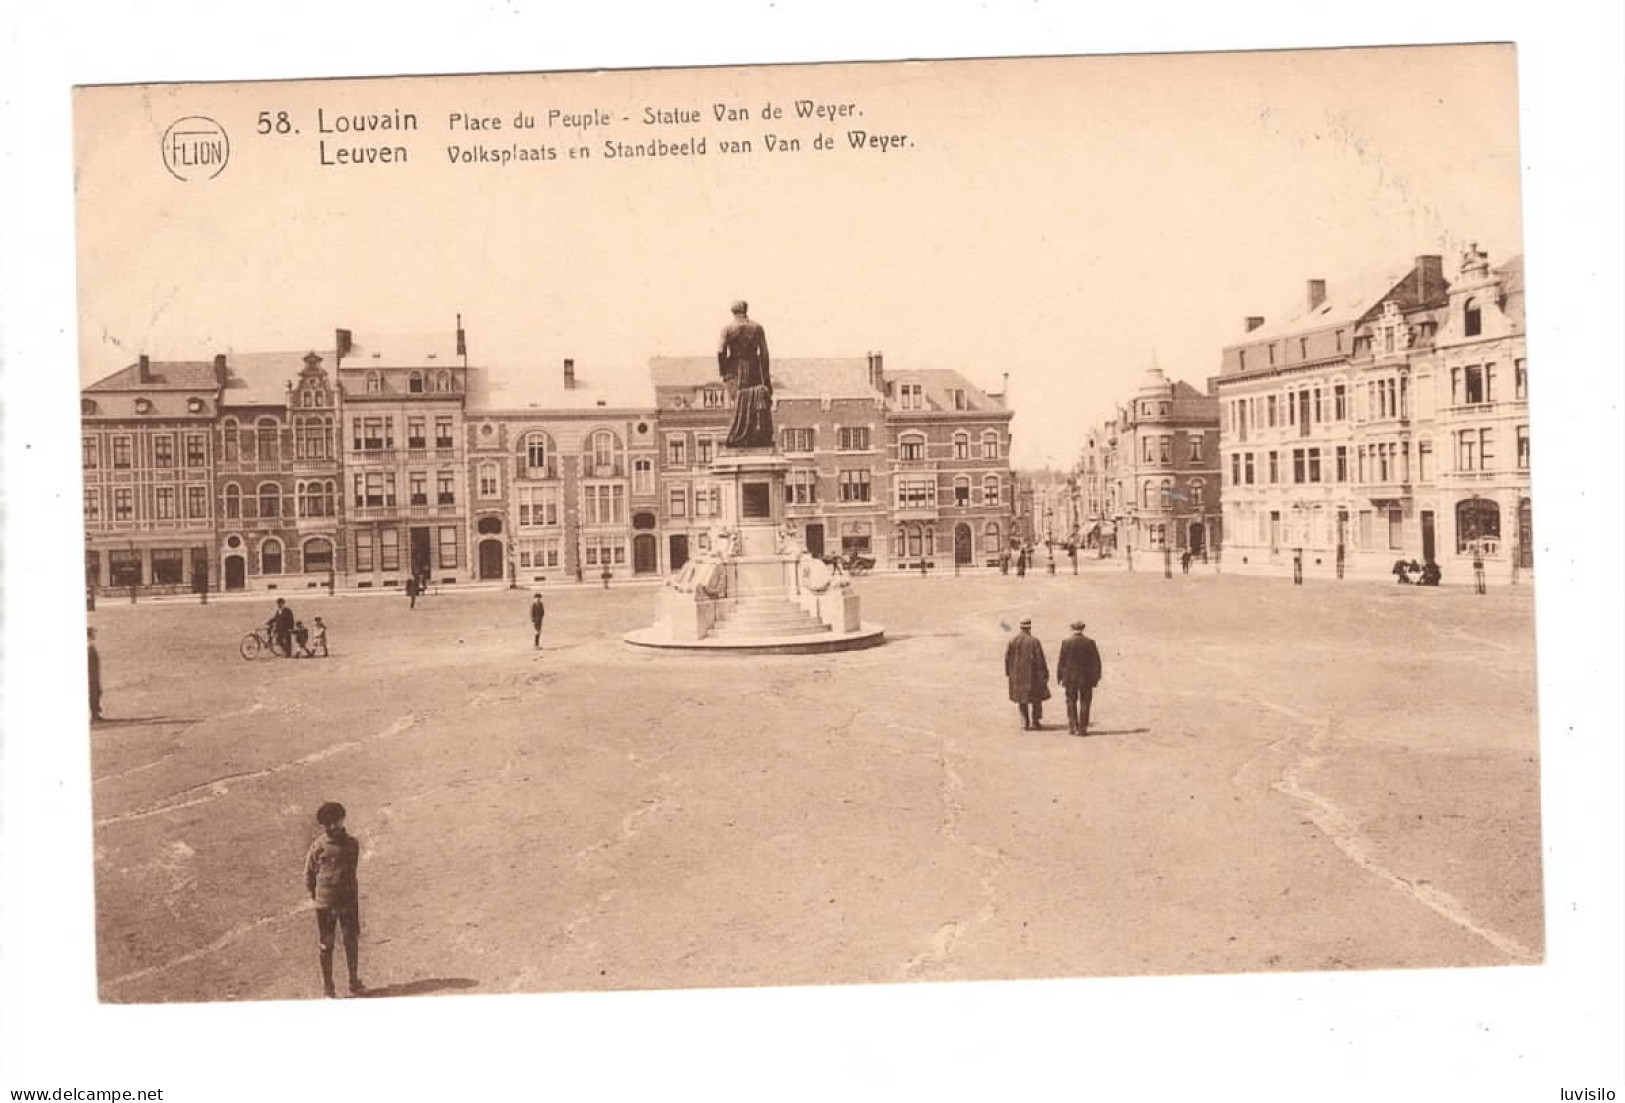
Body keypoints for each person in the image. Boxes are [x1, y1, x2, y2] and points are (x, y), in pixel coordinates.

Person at [304, 801, 364, 998]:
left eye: (335, 823)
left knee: (351, 940)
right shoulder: (318, 847)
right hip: (326, 905)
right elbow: (309, 875)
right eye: (327, 824)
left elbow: (351, 870)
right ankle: (329, 989)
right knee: (326, 945)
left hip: (348, 902)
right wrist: (320, 897)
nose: (331, 827)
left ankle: (354, 982)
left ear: (341, 820)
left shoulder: (352, 844)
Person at [718, 300, 773, 448]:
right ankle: (753, 435)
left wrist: (723, 371)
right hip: (754, 367)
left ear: (733, 312)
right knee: (754, 400)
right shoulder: (757, 328)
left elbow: (720, 351)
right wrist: (766, 380)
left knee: (738, 401)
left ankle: (738, 434)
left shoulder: (727, 329)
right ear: (746, 310)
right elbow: (764, 354)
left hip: (734, 369)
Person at [1055, 620, 1104, 736]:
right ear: (1082, 629)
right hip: (1086, 679)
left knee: (1071, 701)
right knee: (1085, 702)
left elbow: (1061, 661)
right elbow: (1096, 662)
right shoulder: (1090, 642)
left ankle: (1073, 726)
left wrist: (1059, 676)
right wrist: (1096, 677)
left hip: (1070, 679)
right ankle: (1082, 729)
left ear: (1072, 629)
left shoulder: (1066, 643)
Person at [1004, 616, 1051, 731]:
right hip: (1032, 676)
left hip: (1018, 676)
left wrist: (1009, 673)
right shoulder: (1034, 641)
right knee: (1036, 699)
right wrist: (1044, 674)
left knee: (1022, 700)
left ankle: (1024, 722)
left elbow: (1007, 658)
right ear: (1029, 628)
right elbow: (1040, 660)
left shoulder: (1013, 641)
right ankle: (1035, 721)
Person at [87, 626, 102, 721]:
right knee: (94, 693)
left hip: (94, 675)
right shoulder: (88, 647)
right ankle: (94, 715)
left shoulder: (90, 646)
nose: (94, 635)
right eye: (93, 633)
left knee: (97, 692)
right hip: (91, 676)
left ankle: (95, 714)